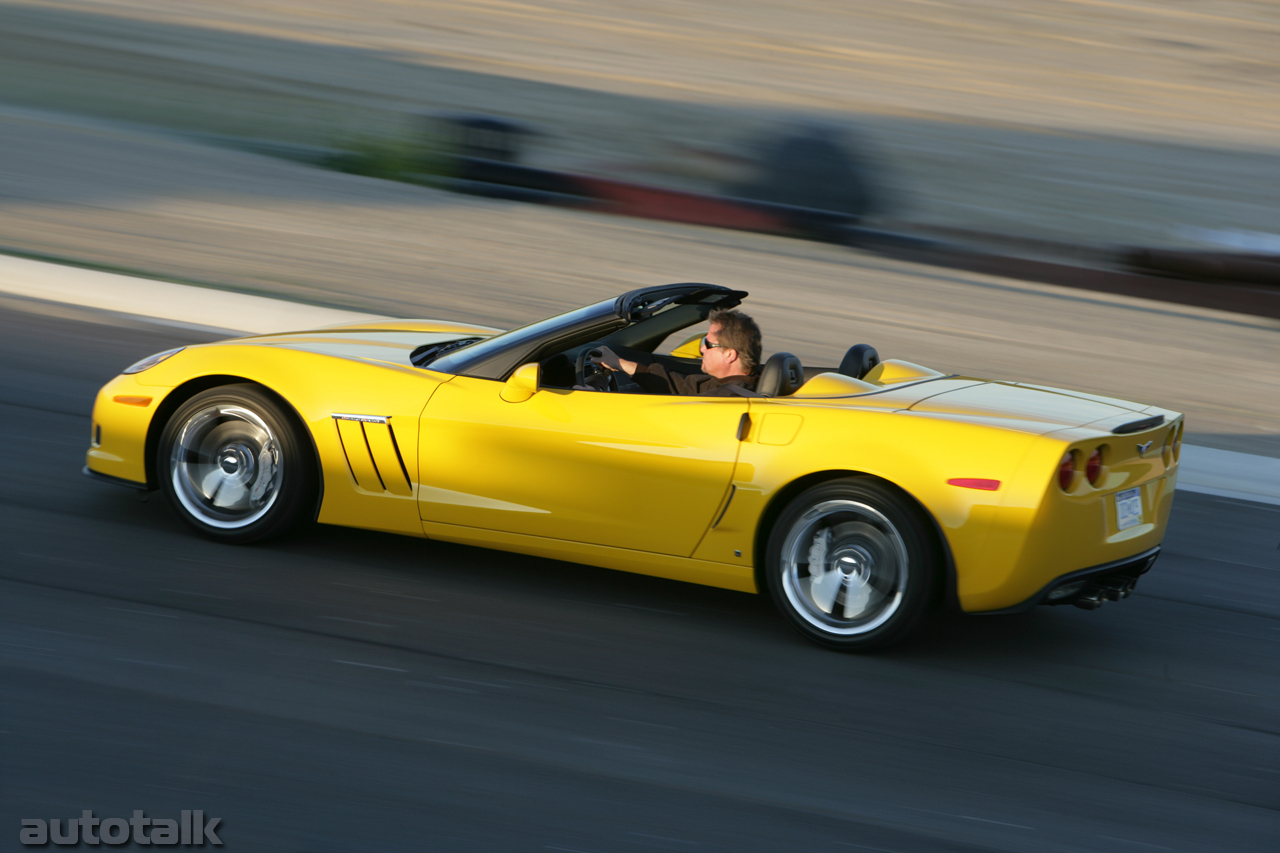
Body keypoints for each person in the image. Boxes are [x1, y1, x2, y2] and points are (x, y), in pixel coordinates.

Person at [597, 308, 762, 397]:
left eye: (707, 344)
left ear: (730, 355)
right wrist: (619, 363)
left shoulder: (724, 400)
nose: (702, 349)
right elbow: (682, 387)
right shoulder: (726, 384)